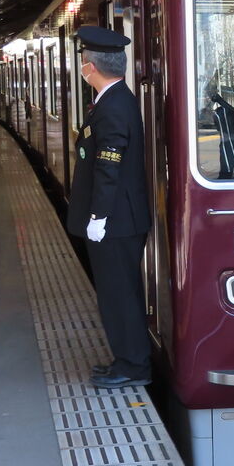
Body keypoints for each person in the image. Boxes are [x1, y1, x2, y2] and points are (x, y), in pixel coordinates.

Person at [66, 26, 151, 388]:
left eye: (84, 63)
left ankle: (134, 366)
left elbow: (108, 166)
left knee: (120, 295)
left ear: (91, 66)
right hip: (118, 219)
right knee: (117, 293)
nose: (83, 68)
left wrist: (98, 216)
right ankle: (125, 358)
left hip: (115, 221)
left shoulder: (114, 105)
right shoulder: (113, 100)